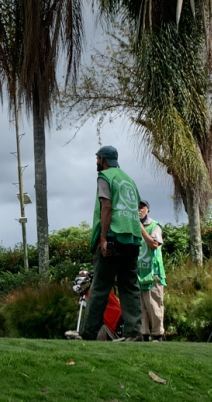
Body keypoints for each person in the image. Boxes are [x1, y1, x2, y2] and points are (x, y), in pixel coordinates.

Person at [82, 146, 144, 341]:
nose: (96, 162)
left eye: (97, 159)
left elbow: (107, 207)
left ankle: (88, 333)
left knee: (100, 287)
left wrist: (103, 239)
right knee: (130, 287)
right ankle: (134, 333)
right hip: (133, 239)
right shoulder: (128, 179)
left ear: (102, 159)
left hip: (114, 238)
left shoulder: (105, 177)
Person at [137, 199, 166, 342]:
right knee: (140, 307)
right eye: (136, 207)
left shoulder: (155, 226)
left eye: (142, 207)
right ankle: (144, 335)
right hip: (138, 273)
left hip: (152, 272)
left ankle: (157, 336)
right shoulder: (131, 227)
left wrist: (141, 228)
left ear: (148, 210)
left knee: (154, 305)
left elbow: (154, 244)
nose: (139, 210)